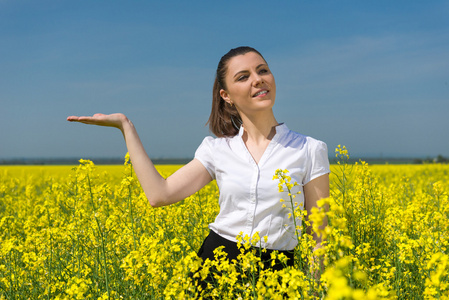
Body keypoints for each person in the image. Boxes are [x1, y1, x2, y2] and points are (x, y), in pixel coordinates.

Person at [67, 46, 330, 274]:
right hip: (216, 265)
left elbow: (319, 237)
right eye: (243, 77)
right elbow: (159, 194)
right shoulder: (217, 150)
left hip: (279, 273)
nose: (258, 80)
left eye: (263, 71)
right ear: (226, 95)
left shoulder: (309, 149)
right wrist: (126, 127)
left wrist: (317, 291)